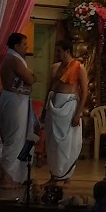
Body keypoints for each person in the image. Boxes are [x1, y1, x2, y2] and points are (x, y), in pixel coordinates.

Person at [42, 39, 87, 184]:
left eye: (59, 51)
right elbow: (49, 88)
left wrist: (78, 113)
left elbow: (85, 92)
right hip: (53, 104)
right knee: (52, 142)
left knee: (66, 143)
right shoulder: (55, 67)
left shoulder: (78, 67)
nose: (56, 54)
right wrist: (44, 109)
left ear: (67, 51)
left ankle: (65, 176)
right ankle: (54, 175)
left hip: (69, 106)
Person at [0, 33, 37, 188]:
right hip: (14, 100)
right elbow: (30, 79)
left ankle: (14, 176)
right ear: (16, 46)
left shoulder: (10, 58)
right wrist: (32, 76)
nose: (27, 47)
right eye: (24, 44)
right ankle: (7, 178)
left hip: (12, 99)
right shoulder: (14, 60)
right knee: (14, 138)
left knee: (16, 137)